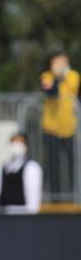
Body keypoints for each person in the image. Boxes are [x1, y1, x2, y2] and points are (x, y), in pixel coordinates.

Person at [40, 52, 79, 202]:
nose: (60, 64)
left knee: (71, 165)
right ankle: (55, 199)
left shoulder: (74, 75)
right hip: (51, 128)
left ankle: (72, 196)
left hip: (70, 128)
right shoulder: (46, 76)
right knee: (53, 165)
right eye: (57, 62)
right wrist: (56, 77)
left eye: (63, 61)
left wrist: (63, 75)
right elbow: (51, 92)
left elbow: (73, 87)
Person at [0, 133, 43, 214]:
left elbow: (33, 194)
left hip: (23, 213)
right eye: (13, 142)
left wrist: (31, 216)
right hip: (3, 214)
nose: (16, 145)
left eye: (19, 142)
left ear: (26, 145)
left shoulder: (31, 167)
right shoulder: (4, 167)